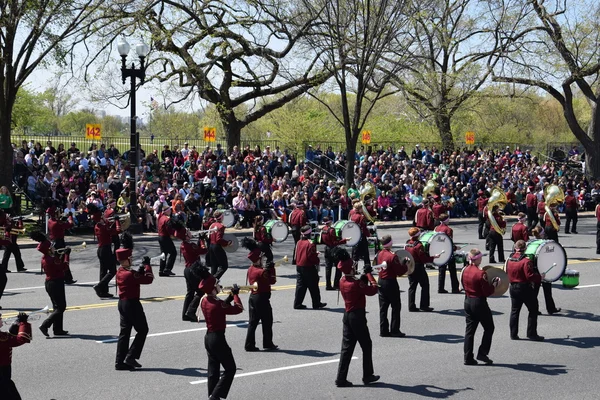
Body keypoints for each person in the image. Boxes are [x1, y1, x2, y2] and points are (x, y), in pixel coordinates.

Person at [335, 252, 380, 387]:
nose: (355, 267)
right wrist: (369, 275)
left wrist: (362, 278)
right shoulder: (355, 284)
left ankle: (341, 378)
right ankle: (367, 375)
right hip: (357, 317)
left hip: (347, 316)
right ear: (350, 268)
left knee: (347, 349)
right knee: (366, 345)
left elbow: (359, 286)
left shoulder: (342, 280)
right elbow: (373, 290)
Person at [199, 275, 243, 400]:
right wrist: (235, 295)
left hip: (208, 338)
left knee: (213, 371)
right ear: (213, 288)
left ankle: (212, 396)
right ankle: (214, 397)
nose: (220, 286)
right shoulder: (217, 304)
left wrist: (229, 297)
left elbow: (221, 305)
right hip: (218, 339)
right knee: (230, 369)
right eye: (217, 284)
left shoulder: (205, 300)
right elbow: (238, 309)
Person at [114, 233, 154, 370]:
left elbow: (135, 276)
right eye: (130, 258)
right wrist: (147, 266)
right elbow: (148, 279)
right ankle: (131, 356)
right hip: (132, 304)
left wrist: (140, 270)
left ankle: (119, 361)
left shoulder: (120, 271)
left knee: (124, 333)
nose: (132, 259)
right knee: (143, 330)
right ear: (125, 260)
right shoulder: (129, 274)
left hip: (123, 303)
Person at [462, 248, 500, 365]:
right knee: (489, 328)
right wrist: (494, 285)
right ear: (477, 259)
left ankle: (468, 357)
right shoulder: (480, 273)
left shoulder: (465, 270)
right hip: (479, 302)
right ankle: (482, 353)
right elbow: (487, 292)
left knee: (470, 331)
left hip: (468, 301)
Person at [32, 232, 70, 337]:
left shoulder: (48, 257)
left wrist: (59, 255)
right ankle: (45, 325)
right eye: (52, 247)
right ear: (49, 249)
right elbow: (65, 267)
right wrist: (67, 255)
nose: (54, 247)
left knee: (56, 306)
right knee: (61, 307)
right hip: (55, 283)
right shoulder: (51, 259)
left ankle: (58, 329)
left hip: (51, 283)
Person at [506, 240, 545, 341]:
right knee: (533, 309)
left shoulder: (510, 259)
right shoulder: (526, 261)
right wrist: (540, 277)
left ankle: (513, 334)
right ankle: (531, 333)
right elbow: (529, 276)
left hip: (513, 287)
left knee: (514, 311)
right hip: (524, 288)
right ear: (525, 249)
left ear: (515, 248)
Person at [245, 246, 278, 352]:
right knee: (267, 321)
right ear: (257, 260)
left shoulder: (251, 269)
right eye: (262, 259)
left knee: (253, 322)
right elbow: (272, 281)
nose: (263, 260)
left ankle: (249, 344)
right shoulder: (261, 271)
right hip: (261, 298)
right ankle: (267, 343)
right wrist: (272, 269)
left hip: (253, 297)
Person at [375, 235, 408, 337]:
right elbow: (399, 271)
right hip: (390, 282)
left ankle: (383, 330)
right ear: (390, 243)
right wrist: (404, 263)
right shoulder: (392, 256)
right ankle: (394, 330)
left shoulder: (379, 253)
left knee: (383, 308)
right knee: (395, 306)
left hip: (381, 281)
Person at [405, 227, 438, 312]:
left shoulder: (407, 243)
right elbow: (423, 259)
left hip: (410, 266)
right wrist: (434, 257)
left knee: (412, 287)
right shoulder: (418, 245)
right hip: (418, 267)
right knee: (425, 285)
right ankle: (424, 305)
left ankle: (411, 306)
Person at [294, 225, 327, 310]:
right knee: (313, 286)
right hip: (308, 266)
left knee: (300, 286)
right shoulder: (311, 243)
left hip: (299, 265)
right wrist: (317, 259)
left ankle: (297, 303)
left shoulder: (299, 242)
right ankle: (316, 303)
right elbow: (310, 256)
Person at [91, 205, 121, 298]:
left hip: (101, 249)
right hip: (105, 249)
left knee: (103, 271)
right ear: (100, 218)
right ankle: (100, 286)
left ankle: (103, 292)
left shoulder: (98, 225)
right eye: (103, 216)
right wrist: (117, 221)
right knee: (112, 270)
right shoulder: (103, 227)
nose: (104, 216)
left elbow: (107, 225)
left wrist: (107, 221)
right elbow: (117, 230)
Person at [0, 310, 31, 399]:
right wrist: (23, 323)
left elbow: (9, 337)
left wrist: (15, 325)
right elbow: (21, 339)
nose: (1, 319)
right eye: (0, 318)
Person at [180, 230, 209, 322]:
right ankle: (191, 312)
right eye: (188, 233)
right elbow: (203, 250)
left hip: (187, 270)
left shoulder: (183, 244)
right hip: (193, 270)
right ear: (186, 236)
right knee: (200, 291)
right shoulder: (191, 245)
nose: (190, 233)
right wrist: (202, 240)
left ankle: (185, 314)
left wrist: (199, 239)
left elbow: (195, 250)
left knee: (190, 293)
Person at [48, 209, 77, 284]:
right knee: (64, 260)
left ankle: (65, 277)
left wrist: (64, 218)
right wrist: (70, 216)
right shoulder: (57, 223)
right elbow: (70, 224)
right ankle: (67, 278)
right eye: (58, 213)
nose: (60, 214)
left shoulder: (50, 221)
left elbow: (60, 222)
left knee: (59, 260)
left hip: (54, 241)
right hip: (59, 242)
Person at [320, 217, 348, 290]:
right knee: (338, 267)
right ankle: (336, 284)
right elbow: (335, 242)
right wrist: (344, 240)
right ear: (330, 222)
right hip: (333, 249)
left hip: (326, 249)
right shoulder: (332, 230)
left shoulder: (323, 229)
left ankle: (328, 285)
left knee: (328, 268)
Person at [434, 213, 460, 294]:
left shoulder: (436, 228)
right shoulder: (448, 229)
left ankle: (440, 288)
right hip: (448, 252)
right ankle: (455, 288)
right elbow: (449, 242)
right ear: (446, 220)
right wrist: (456, 248)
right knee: (452, 270)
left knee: (441, 270)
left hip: (439, 251)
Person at [157, 206, 181, 277]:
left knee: (164, 254)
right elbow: (169, 229)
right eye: (169, 210)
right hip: (165, 237)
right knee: (173, 253)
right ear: (167, 211)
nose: (170, 211)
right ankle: (167, 269)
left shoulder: (161, 217)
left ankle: (161, 270)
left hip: (160, 237)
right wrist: (174, 235)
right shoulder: (167, 219)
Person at [208, 210, 232, 279]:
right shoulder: (221, 226)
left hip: (211, 246)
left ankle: (211, 283)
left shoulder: (212, 225)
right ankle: (214, 280)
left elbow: (209, 236)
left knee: (214, 265)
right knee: (224, 266)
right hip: (216, 247)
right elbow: (218, 239)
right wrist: (227, 243)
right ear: (221, 218)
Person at [350, 203, 371, 270]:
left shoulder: (352, 216)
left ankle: (354, 269)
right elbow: (364, 228)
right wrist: (368, 234)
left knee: (355, 254)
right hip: (361, 236)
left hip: (354, 236)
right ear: (360, 209)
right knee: (365, 254)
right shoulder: (361, 217)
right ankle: (367, 268)